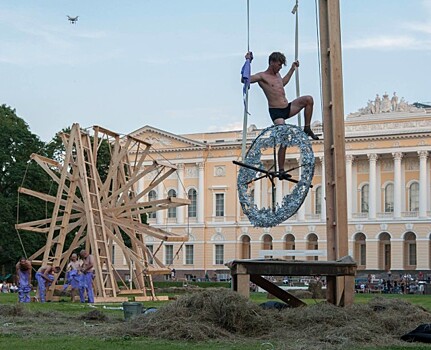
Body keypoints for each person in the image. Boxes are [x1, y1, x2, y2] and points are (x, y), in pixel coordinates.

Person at [243, 51, 319, 179]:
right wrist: (247, 61)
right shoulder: (262, 76)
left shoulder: (278, 75)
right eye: (279, 65)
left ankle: (307, 127)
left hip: (287, 107)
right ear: (272, 62)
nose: (279, 68)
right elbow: (245, 79)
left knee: (308, 100)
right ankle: (281, 170)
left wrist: (292, 69)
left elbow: (282, 83)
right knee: (284, 136)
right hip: (276, 112)